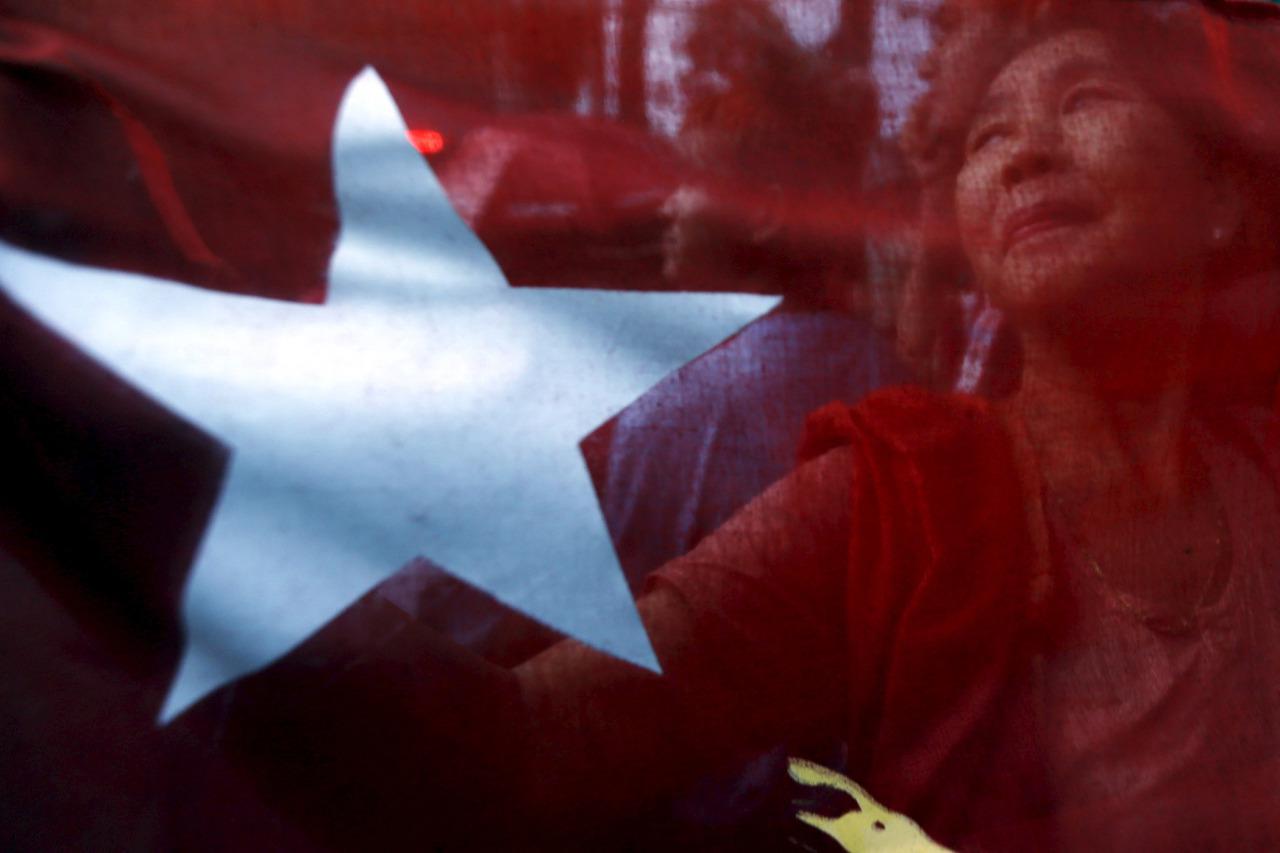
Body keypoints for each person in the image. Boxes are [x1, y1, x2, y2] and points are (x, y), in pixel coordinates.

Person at [171, 2, 1280, 850]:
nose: (1026, 152)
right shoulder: (892, 501)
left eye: (1082, 101)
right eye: (990, 136)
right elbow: (529, 742)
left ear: (1221, 197)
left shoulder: (1263, 476)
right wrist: (181, 509)